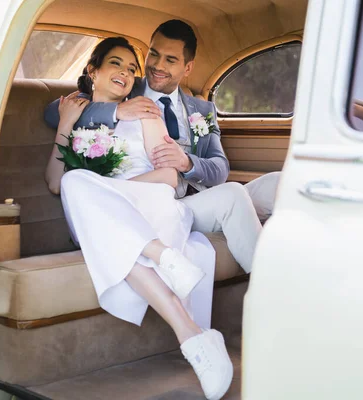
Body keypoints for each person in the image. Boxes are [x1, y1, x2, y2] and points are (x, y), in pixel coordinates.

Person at [44, 37, 233, 400]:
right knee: (74, 183)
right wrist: (65, 125)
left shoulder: (146, 110)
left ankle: (168, 271)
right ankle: (191, 330)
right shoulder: (76, 115)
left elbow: (168, 178)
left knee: (91, 201)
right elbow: (55, 183)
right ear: (92, 71)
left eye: (132, 69)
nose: (127, 73)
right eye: (116, 64)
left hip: (149, 206)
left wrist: (110, 193)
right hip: (102, 215)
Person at [46, 19, 278, 272]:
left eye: (170, 59)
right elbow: (53, 113)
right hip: (163, 202)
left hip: (199, 197)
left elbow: (220, 168)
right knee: (233, 195)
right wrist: (117, 110)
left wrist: (187, 162)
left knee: (281, 185)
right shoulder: (124, 86)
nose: (157, 65)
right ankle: (269, 290)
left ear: (187, 68)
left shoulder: (202, 109)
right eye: (154, 55)